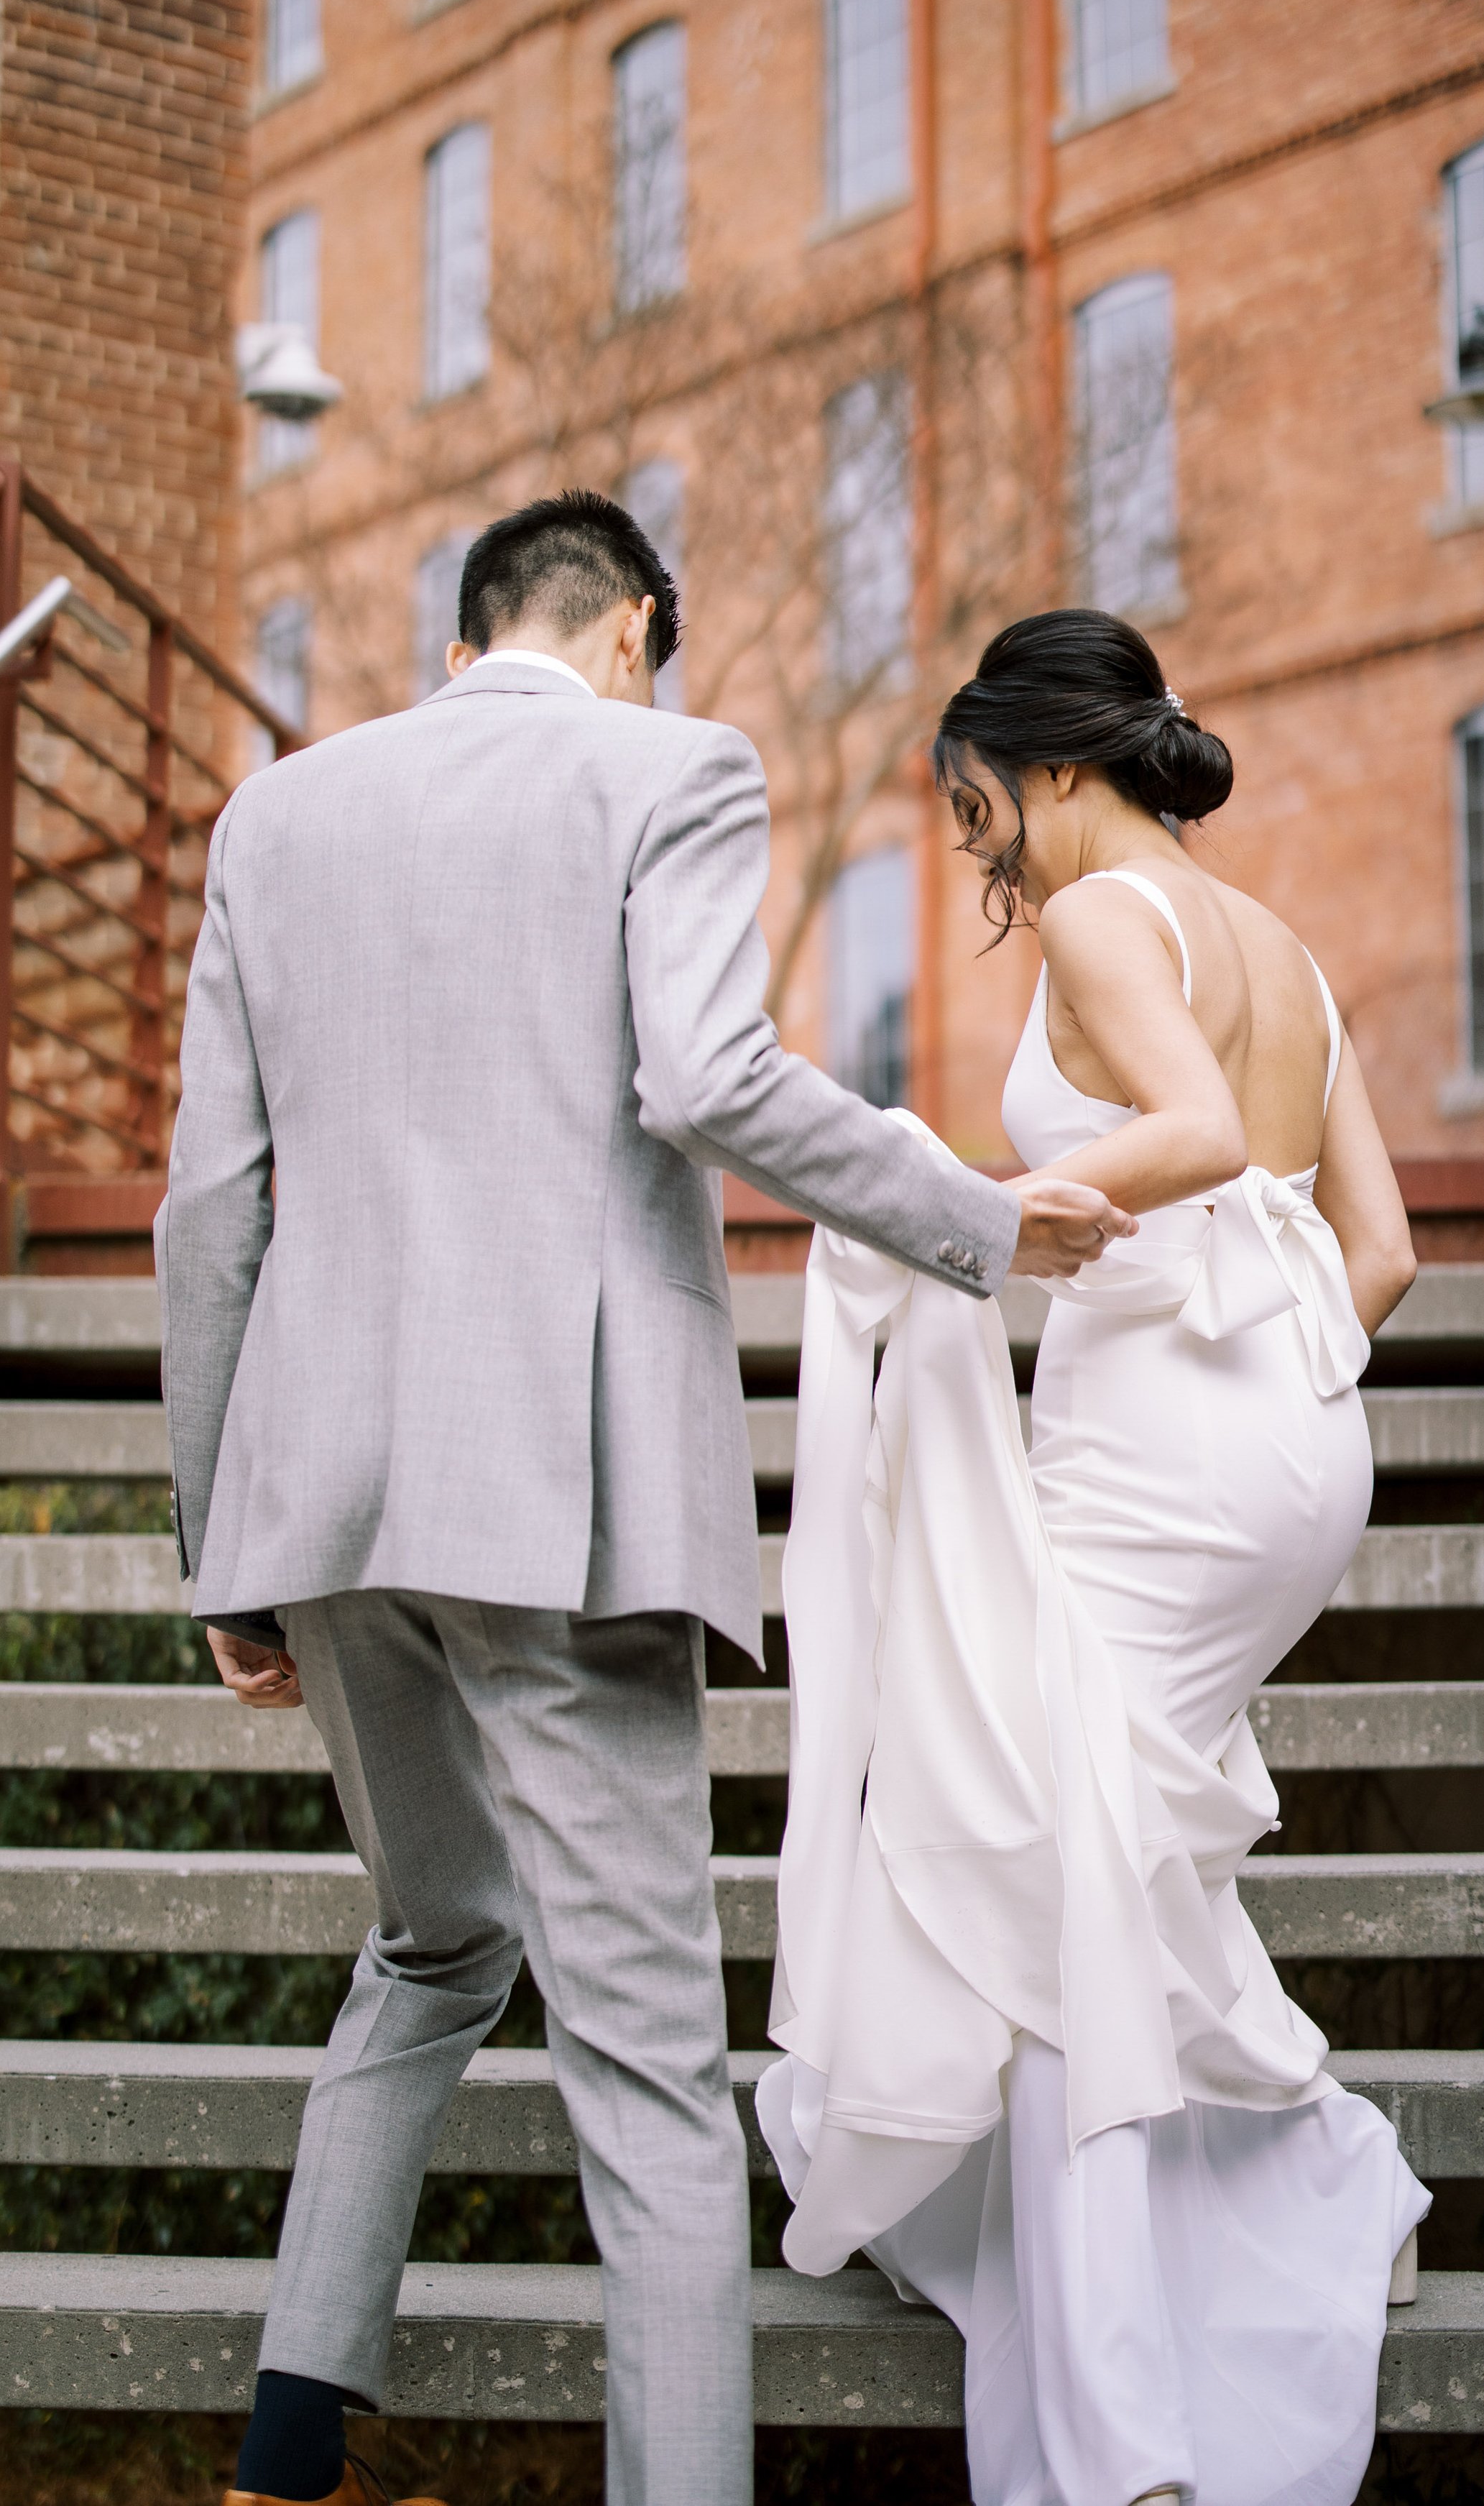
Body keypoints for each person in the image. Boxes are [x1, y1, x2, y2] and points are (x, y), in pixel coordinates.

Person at [157, 498, 1128, 2506]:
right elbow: (700, 1073)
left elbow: (205, 1208)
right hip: (556, 1501)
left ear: (468, 631)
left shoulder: (278, 817)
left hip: (318, 1502)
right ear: (635, 632)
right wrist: (966, 1213)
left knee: (433, 1942)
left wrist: (218, 1553)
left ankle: (283, 2438)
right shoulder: (670, 763)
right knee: (654, 2074)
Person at [758, 609, 1431, 2506]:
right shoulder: (1282, 950)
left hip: (1160, 1459)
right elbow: (1370, 1254)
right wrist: (1258, 1389)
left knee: (1045, 1885)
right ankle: (1315, 2188)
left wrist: (963, 1215)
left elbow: (1197, 1135)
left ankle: (1119, 2438)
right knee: (1102, 1860)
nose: (989, 853)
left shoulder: (1102, 918)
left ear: (1048, 762)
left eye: (982, 808)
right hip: (1295, 1442)